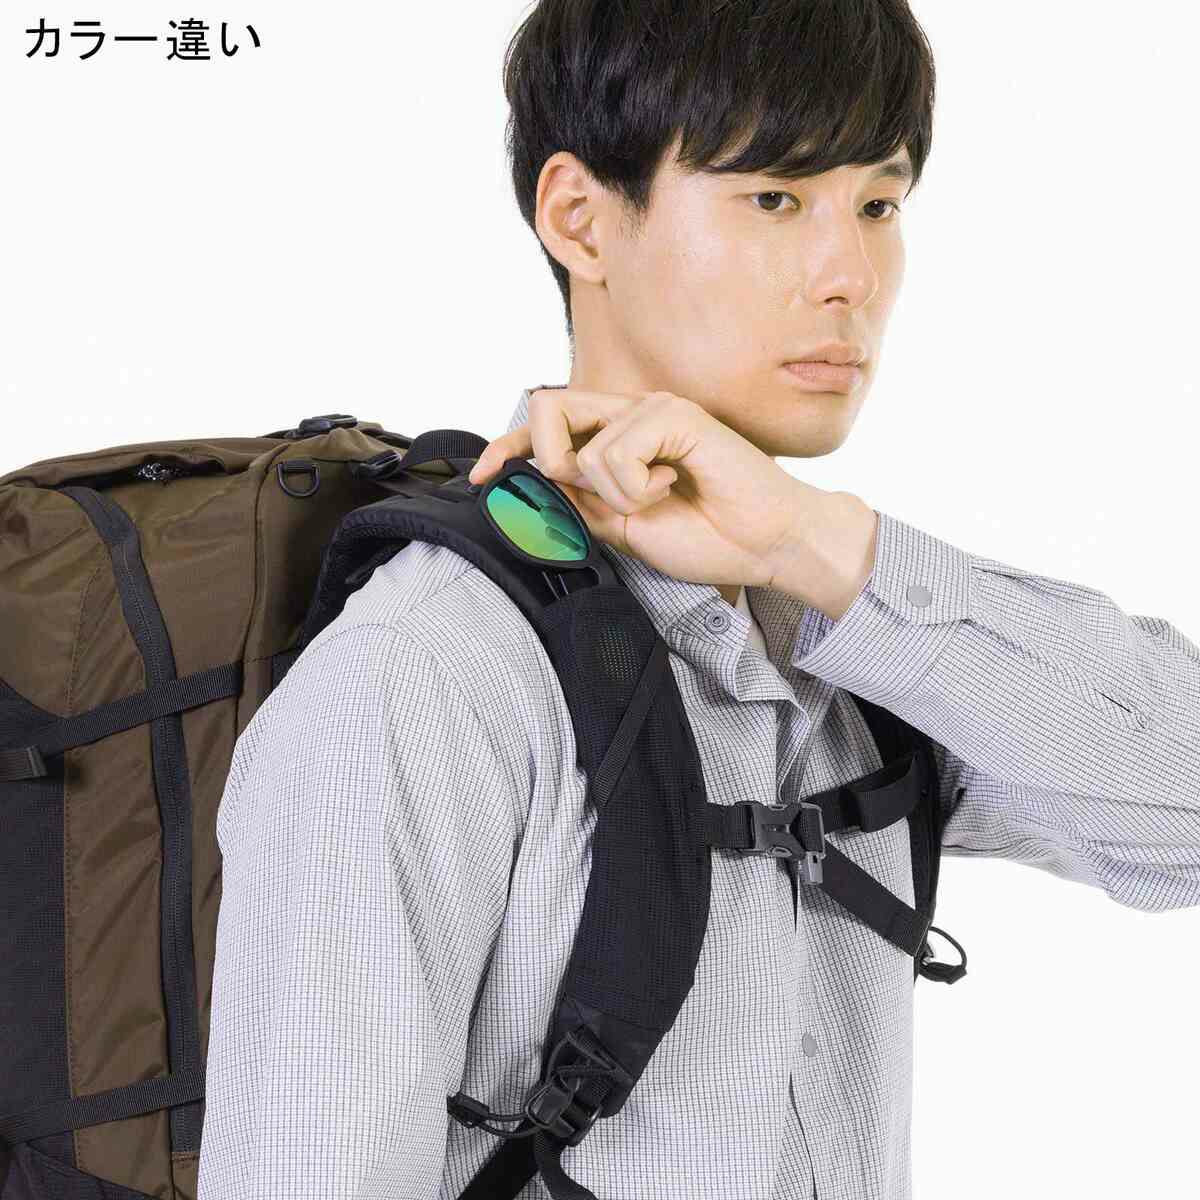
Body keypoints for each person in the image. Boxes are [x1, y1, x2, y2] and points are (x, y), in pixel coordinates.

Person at [196, 2, 1200, 1197]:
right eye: (775, 198)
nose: (850, 276)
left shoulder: (850, 629)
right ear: (580, 219)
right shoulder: (425, 674)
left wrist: (816, 543)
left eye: (879, 205)